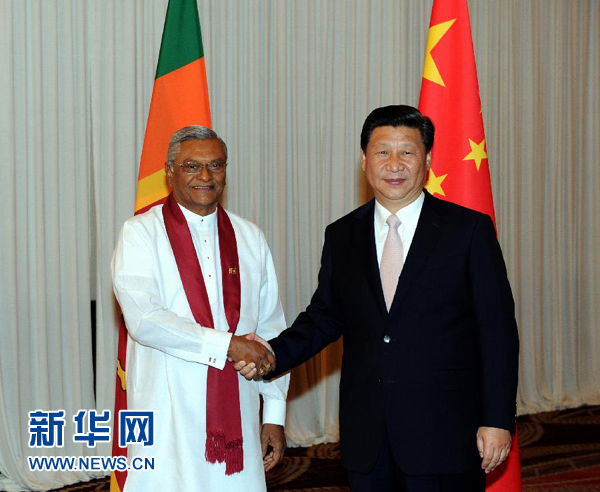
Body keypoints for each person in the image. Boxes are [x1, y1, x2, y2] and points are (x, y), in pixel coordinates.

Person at [238, 105, 519, 492]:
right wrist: (271, 353)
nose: (394, 164)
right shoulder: (342, 235)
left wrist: (498, 419)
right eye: (382, 151)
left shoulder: (467, 230)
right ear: (364, 160)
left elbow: (497, 332)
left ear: (428, 160)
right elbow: (325, 317)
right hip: (367, 433)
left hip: (444, 431)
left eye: (407, 152)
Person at [111, 126, 289, 492]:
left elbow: (270, 329)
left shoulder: (250, 236)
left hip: (239, 407)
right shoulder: (140, 233)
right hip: (168, 411)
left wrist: (274, 413)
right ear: (169, 171)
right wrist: (228, 345)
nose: (205, 176)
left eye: (216, 165)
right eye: (192, 166)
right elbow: (144, 320)